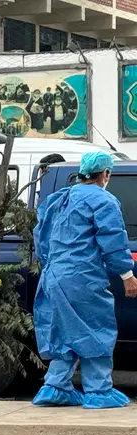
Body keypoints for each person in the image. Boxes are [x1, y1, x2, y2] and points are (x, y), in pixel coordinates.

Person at [32, 151, 137, 410]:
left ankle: (55, 386)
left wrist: (54, 266)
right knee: (95, 328)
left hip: (53, 275)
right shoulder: (103, 200)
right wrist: (127, 275)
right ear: (105, 174)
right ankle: (99, 391)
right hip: (83, 278)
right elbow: (113, 241)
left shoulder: (59, 199)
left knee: (63, 330)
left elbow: (41, 237)